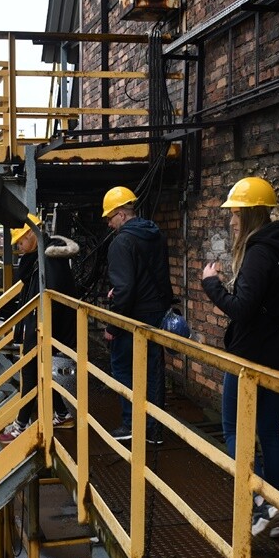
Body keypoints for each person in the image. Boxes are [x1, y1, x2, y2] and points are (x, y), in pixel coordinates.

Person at [200, 176, 279, 540]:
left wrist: (211, 282)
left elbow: (242, 309)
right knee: (270, 432)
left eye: (235, 214)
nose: (230, 221)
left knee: (233, 430)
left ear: (248, 215)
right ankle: (274, 512)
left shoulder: (259, 252)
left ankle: (262, 506)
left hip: (251, 359)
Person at [0, 214, 79, 444]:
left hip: (46, 326)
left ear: (32, 234)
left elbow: (52, 296)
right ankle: (62, 414)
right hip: (41, 324)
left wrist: (41, 330)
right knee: (41, 372)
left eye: (20, 241)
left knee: (31, 372)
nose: (18, 247)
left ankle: (21, 425)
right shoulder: (38, 257)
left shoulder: (50, 258)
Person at [101, 186, 172, 444]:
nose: (109, 224)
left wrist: (113, 326)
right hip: (156, 312)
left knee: (122, 368)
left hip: (132, 317)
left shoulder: (122, 242)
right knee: (153, 369)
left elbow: (126, 288)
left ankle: (132, 423)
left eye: (110, 217)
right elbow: (151, 276)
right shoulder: (156, 234)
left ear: (121, 214)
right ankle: (153, 430)